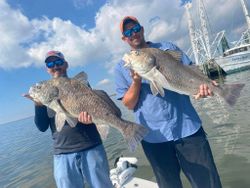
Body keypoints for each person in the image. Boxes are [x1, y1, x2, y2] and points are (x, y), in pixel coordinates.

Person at [114, 16, 222, 188]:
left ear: (142, 29)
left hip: (188, 129)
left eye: (135, 29)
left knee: (208, 183)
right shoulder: (121, 67)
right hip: (154, 137)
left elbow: (191, 70)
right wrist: (136, 81)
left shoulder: (167, 48)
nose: (133, 34)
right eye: (128, 32)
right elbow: (128, 104)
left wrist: (205, 87)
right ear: (124, 38)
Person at [24, 51, 113, 188]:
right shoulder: (47, 97)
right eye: (50, 64)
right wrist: (38, 105)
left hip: (91, 147)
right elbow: (42, 127)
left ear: (66, 65)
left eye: (59, 62)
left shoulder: (79, 85)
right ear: (47, 69)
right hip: (62, 154)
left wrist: (92, 119)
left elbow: (93, 110)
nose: (55, 66)